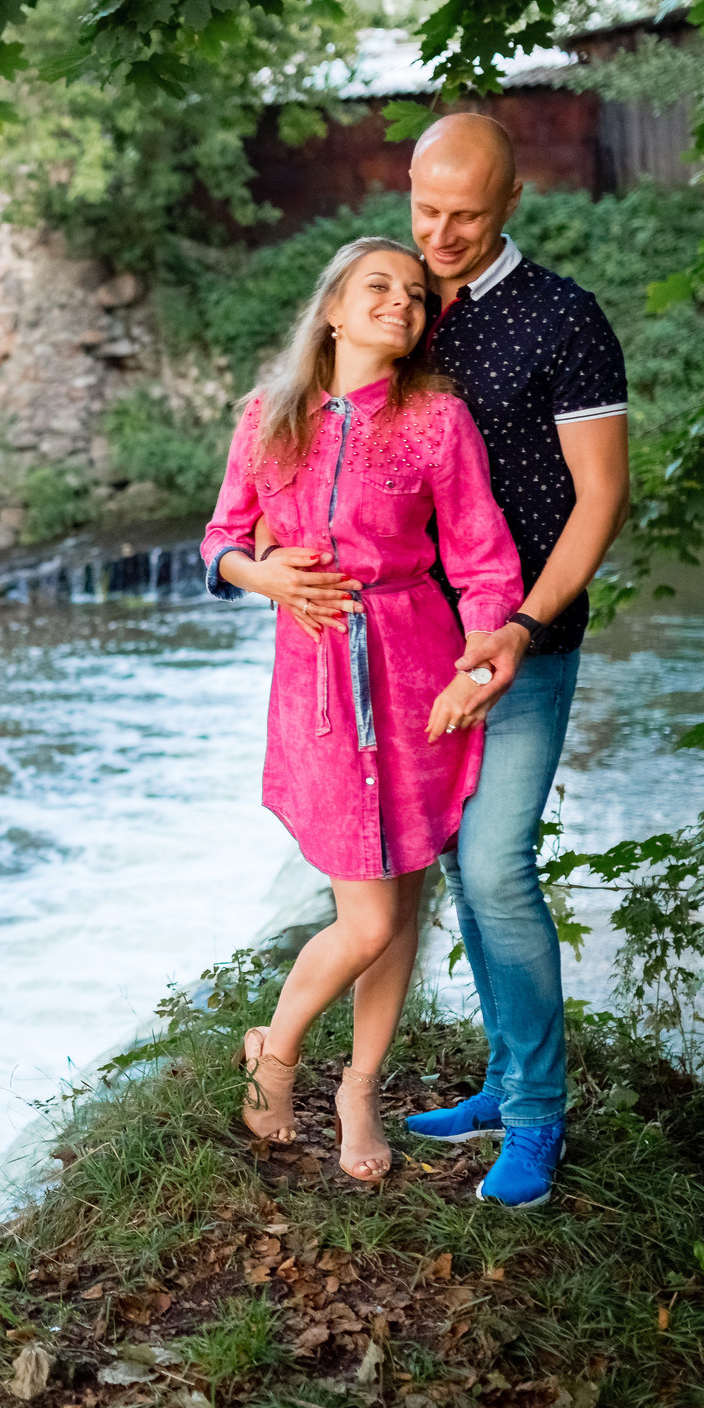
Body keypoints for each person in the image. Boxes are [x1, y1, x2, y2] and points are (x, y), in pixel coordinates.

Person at [245, 114, 631, 1209]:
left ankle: (537, 1113)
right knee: (450, 871)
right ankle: (503, 1081)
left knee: (496, 868)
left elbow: (602, 494)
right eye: (426, 210)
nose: (442, 234)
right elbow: (304, 459)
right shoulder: (396, 300)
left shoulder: (561, 318)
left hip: (519, 639)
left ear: (511, 203)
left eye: (466, 215)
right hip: (403, 654)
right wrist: (268, 566)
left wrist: (521, 625)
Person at [199, 237, 522, 1183]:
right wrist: (264, 575)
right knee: (369, 916)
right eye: (378, 287)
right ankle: (276, 1052)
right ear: (333, 310)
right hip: (320, 687)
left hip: (419, 673)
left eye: (416, 295)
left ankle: (360, 1086)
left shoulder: (437, 421)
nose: (401, 303)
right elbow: (219, 540)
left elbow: (484, 561)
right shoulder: (268, 418)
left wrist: (481, 659)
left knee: (402, 894)